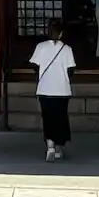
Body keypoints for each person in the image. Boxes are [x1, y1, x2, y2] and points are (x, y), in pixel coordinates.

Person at [29, 20, 76, 162]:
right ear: (61, 33)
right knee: (61, 117)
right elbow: (71, 70)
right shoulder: (67, 49)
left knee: (47, 117)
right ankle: (59, 148)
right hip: (62, 89)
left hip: (45, 88)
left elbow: (34, 66)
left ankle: (50, 146)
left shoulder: (41, 47)